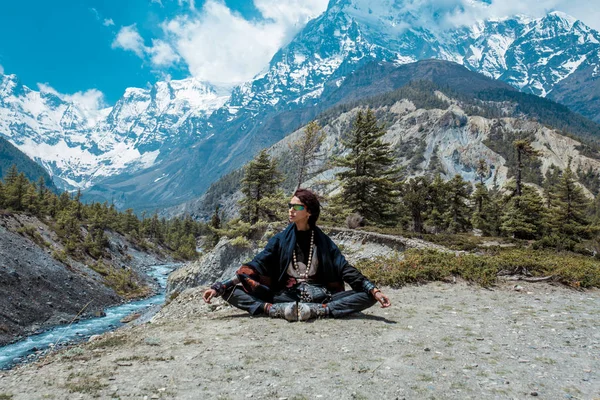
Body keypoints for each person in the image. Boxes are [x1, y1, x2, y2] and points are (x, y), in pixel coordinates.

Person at [202, 188, 391, 321]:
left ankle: (320, 311)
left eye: (297, 207)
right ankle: (273, 310)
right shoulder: (280, 240)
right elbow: (256, 264)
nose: (290, 210)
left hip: (321, 296)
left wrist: (373, 289)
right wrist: (219, 287)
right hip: (285, 296)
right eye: (289, 205)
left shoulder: (323, 242)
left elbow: (344, 268)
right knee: (229, 292)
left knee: (367, 297)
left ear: (309, 211)